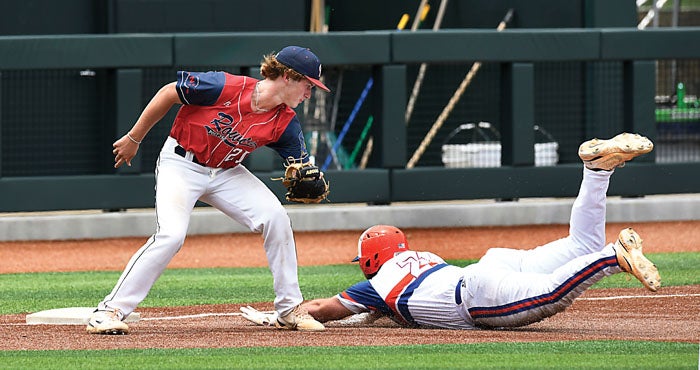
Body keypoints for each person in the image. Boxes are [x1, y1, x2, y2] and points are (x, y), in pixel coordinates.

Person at [241, 132, 661, 330]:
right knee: (579, 245)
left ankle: (613, 258)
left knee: (553, 294)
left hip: (478, 292)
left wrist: (278, 317)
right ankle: (595, 171)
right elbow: (374, 315)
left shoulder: (379, 284)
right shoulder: (417, 262)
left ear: (370, 259)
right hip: (488, 268)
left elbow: (318, 310)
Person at [87, 46, 331, 334]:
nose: (309, 94)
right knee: (171, 235)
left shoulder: (285, 122)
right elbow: (168, 93)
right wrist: (134, 137)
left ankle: (289, 309)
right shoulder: (224, 86)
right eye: (308, 85)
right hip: (181, 164)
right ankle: (109, 311)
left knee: (276, 217)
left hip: (227, 173)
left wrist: (309, 177)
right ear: (288, 76)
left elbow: (301, 165)